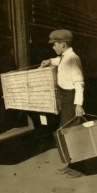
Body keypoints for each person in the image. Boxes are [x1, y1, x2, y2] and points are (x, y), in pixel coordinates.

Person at [41, 29, 85, 177]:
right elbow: (60, 61)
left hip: (71, 99)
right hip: (66, 98)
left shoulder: (73, 59)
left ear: (63, 44)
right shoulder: (66, 57)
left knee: (71, 134)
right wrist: (50, 61)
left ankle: (79, 168)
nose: (53, 47)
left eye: (54, 44)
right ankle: (70, 164)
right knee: (65, 133)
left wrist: (78, 104)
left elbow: (79, 83)